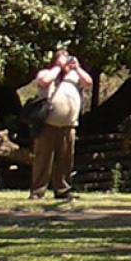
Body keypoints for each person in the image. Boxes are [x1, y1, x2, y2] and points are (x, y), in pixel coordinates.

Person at [23, 48, 91, 202]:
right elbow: (44, 81)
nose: (65, 61)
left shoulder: (74, 76)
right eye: (62, 58)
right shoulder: (47, 73)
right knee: (43, 159)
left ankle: (63, 189)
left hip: (68, 125)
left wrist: (77, 67)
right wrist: (58, 67)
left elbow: (88, 82)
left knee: (66, 159)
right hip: (47, 125)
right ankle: (37, 191)